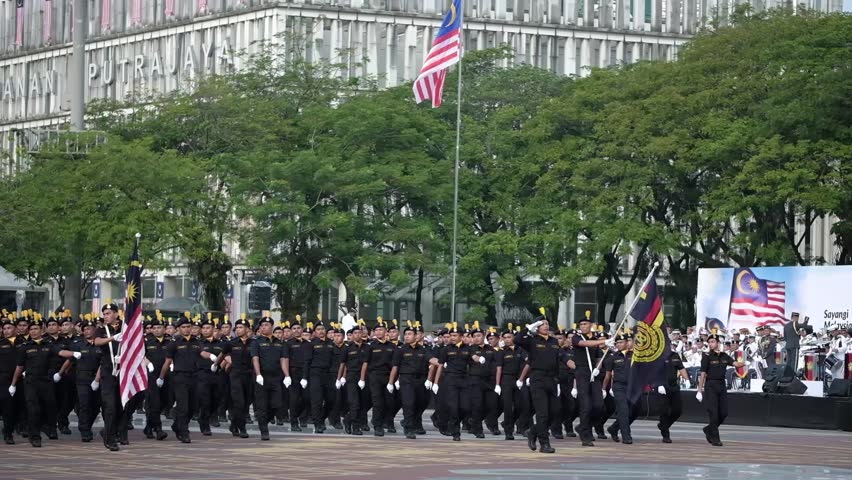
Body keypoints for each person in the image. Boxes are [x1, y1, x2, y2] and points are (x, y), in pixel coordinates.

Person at [513, 313, 560, 454]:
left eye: (547, 324)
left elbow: (556, 361)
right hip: (538, 378)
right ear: (537, 327)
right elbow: (517, 340)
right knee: (542, 413)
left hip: (551, 379)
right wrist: (528, 328)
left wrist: (557, 381)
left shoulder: (554, 341)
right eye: (542, 324)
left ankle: (533, 432)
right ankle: (544, 444)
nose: (545, 326)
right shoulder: (532, 340)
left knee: (554, 413)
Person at [697, 330, 746, 447]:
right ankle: (715, 438)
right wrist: (699, 390)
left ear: (718, 343)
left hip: (721, 385)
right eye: (709, 342)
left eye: (713, 342)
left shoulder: (724, 356)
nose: (711, 344)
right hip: (711, 385)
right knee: (713, 413)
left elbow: (736, 364)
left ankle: (709, 429)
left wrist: (744, 361)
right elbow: (703, 373)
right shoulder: (706, 356)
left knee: (723, 413)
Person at [571, 311, 611, 447]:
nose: (583, 326)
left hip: (593, 373)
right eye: (581, 324)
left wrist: (598, 367)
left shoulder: (594, 338)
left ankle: (583, 426)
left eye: (585, 324)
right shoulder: (576, 337)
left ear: (591, 325)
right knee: (586, 405)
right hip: (582, 372)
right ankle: (585, 435)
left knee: (599, 405)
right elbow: (584, 344)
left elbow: (599, 355)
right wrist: (604, 341)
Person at [388, 323, 431, 439]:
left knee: (420, 403)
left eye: (409, 334)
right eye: (405, 334)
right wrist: (391, 382)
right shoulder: (401, 350)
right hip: (406, 379)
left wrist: (442, 363)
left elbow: (431, 360)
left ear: (416, 336)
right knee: (409, 403)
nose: (406, 336)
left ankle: (413, 422)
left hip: (420, 380)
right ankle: (409, 428)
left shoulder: (423, 349)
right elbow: (395, 367)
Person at [249, 315, 286, 441]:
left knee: (277, 404)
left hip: (276, 377)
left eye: (266, 325)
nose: (264, 327)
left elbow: (283, 359)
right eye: (262, 325)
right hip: (262, 377)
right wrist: (258, 374)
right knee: (261, 405)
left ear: (272, 327)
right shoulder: (256, 342)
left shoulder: (279, 343)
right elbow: (255, 359)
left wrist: (287, 376)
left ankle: (266, 419)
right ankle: (264, 430)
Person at [359, 318, 396, 436]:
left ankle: (385, 421)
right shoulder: (370, 346)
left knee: (389, 402)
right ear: (374, 332)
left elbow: (395, 365)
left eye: (382, 329)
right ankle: (377, 426)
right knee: (377, 402)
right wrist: (362, 379)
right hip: (374, 376)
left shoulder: (392, 346)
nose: (380, 332)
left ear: (386, 331)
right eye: (377, 330)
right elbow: (365, 363)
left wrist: (393, 381)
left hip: (388, 376)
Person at [602, 330, 633, 444]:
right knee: (623, 411)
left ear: (627, 343)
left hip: (632, 387)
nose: (619, 344)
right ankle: (626, 436)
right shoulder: (612, 357)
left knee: (632, 411)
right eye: (617, 343)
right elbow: (608, 374)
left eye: (622, 342)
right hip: (619, 386)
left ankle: (613, 428)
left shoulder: (634, 355)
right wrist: (604, 388)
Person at [143, 316, 170, 441]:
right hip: (151, 375)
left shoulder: (170, 341)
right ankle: (158, 429)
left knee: (166, 401)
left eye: (160, 327)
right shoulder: (147, 341)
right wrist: (148, 363)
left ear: (164, 329)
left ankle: (149, 426)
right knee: (154, 402)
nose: (157, 330)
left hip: (166, 375)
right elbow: (140, 356)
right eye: (155, 328)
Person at [340, 323, 369, 435]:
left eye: (359, 332)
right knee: (354, 403)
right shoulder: (347, 348)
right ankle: (355, 427)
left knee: (362, 404)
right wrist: (341, 377)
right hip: (351, 376)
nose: (357, 335)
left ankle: (347, 420)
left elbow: (367, 363)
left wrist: (363, 379)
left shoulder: (367, 347)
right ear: (351, 335)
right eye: (355, 333)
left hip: (364, 377)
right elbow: (344, 364)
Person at [658, 346, 690, 443]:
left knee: (677, 410)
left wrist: (687, 379)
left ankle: (663, 425)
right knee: (664, 411)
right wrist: (658, 384)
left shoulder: (675, 355)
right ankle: (665, 435)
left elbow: (681, 368)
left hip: (674, 386)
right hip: (662, 387)